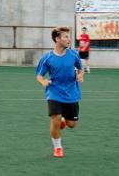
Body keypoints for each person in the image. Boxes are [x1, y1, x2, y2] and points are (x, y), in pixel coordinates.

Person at [35, 27, 84, 158]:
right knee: (55, 118)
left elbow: (80, 69)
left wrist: (80, 75)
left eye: (69, 36)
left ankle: (64, 120)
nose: (69, 39)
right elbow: (39, 75)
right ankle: (58, 147)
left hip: (71, 93)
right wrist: (43, 82)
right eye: (66, 37)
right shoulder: (47, 58)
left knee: (71, 125)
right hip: (54, 92)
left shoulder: (74, 55)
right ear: (57, 39)